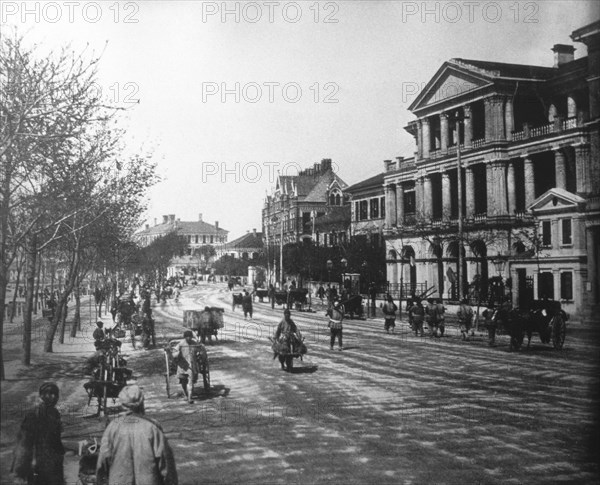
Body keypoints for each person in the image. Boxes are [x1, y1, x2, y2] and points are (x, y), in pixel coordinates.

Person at [96, 385, 178, 485]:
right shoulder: (152, 428)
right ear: (141, 404)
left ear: (122, 405)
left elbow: (102, 465)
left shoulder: (112, 428)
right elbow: (167, 467)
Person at [11, 382, 65, 485]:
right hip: (39, 465)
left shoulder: (55, 413)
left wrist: (61, 451)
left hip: (54, 464)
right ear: (41, 396)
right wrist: (19, 472)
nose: (53, 397)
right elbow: (23, 442)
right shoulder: (33, 415)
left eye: (55, 394)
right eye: (48, 393)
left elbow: (55, 440)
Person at [174, 331, 201, 403]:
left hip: (191, 365)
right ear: (185, 337)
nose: (188, 338)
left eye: (190, 337)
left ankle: (189, 397)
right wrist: (177, 353)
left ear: (192, 337)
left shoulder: (194, 344)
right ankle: (186, 394)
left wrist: (199, 351)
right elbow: (174, 353)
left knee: (190, 381)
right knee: (183, 381)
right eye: (187, 337)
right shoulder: (181, 344)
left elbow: (199, 351)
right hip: (182, 366)